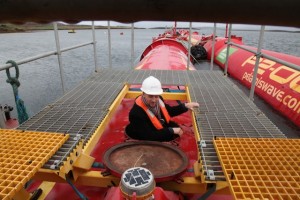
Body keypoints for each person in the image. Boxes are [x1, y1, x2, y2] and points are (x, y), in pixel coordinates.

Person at [125, 76, 199, 142]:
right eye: (150, 96)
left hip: (155, 129)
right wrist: (171, 131)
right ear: (143, 94)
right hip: (145, 137)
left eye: (156, 96)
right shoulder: (136, 114)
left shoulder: (159, 99)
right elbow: (148, 136)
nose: (154, 100)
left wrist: (185, 106)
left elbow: (168, 111)